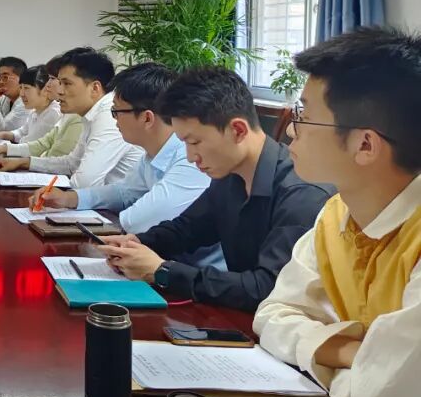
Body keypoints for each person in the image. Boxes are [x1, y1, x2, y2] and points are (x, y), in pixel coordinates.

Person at [254, 28, 421, 397]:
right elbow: (272, 315)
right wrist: (350, 353)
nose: (290, 131)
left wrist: (343, 358)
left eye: (304, 115)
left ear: (365, 144)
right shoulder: (337, 215)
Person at [99, 66, 331, 312]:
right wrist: (136, 243)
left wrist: (162, 271)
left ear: (237, 130)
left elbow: (266, 288)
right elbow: (188, 229)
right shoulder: (229, 176)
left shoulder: (301, 193)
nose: (190, 157)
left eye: (195, 142)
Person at [29, 63, 222, 269]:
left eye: (117, 112)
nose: (114, 120)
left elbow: (138, 221)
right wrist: (70, 198)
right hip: (165, 262)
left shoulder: (190, 158)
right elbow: (124, 192)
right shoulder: (152, 154)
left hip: (198, 275)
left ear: (147, 118)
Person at [0, 48, 142, 188]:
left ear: (95, 88)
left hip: (119, 207)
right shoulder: (90, 114)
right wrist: (23, 162)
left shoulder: (109, 115)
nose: (59, 91)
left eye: (66, 84)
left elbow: (84, 183)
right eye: (59, 82)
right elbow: (71, 163)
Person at [0, 65, 61, 145]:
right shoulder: (35, 111)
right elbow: (22, 132)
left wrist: (4, 148)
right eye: (20, 88)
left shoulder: (52, 114)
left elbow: (29, 145)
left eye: (26, 88)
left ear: (45, 89)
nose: (22, 94)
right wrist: (4, 135)